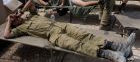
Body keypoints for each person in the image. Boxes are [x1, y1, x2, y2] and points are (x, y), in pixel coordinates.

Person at [4, 10, 135, 62]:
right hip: (53, 35)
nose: (16, 17)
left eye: (16, 16)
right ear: (14, 23)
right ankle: (111, 55)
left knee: (85, 35)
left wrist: (19, 12)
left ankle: (121, 47)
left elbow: (31, 2)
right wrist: (9, 21)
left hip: (61, 26)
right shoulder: (21, 28)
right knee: (76, 45)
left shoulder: (30, 15)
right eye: (14, 19)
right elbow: (7, 35)